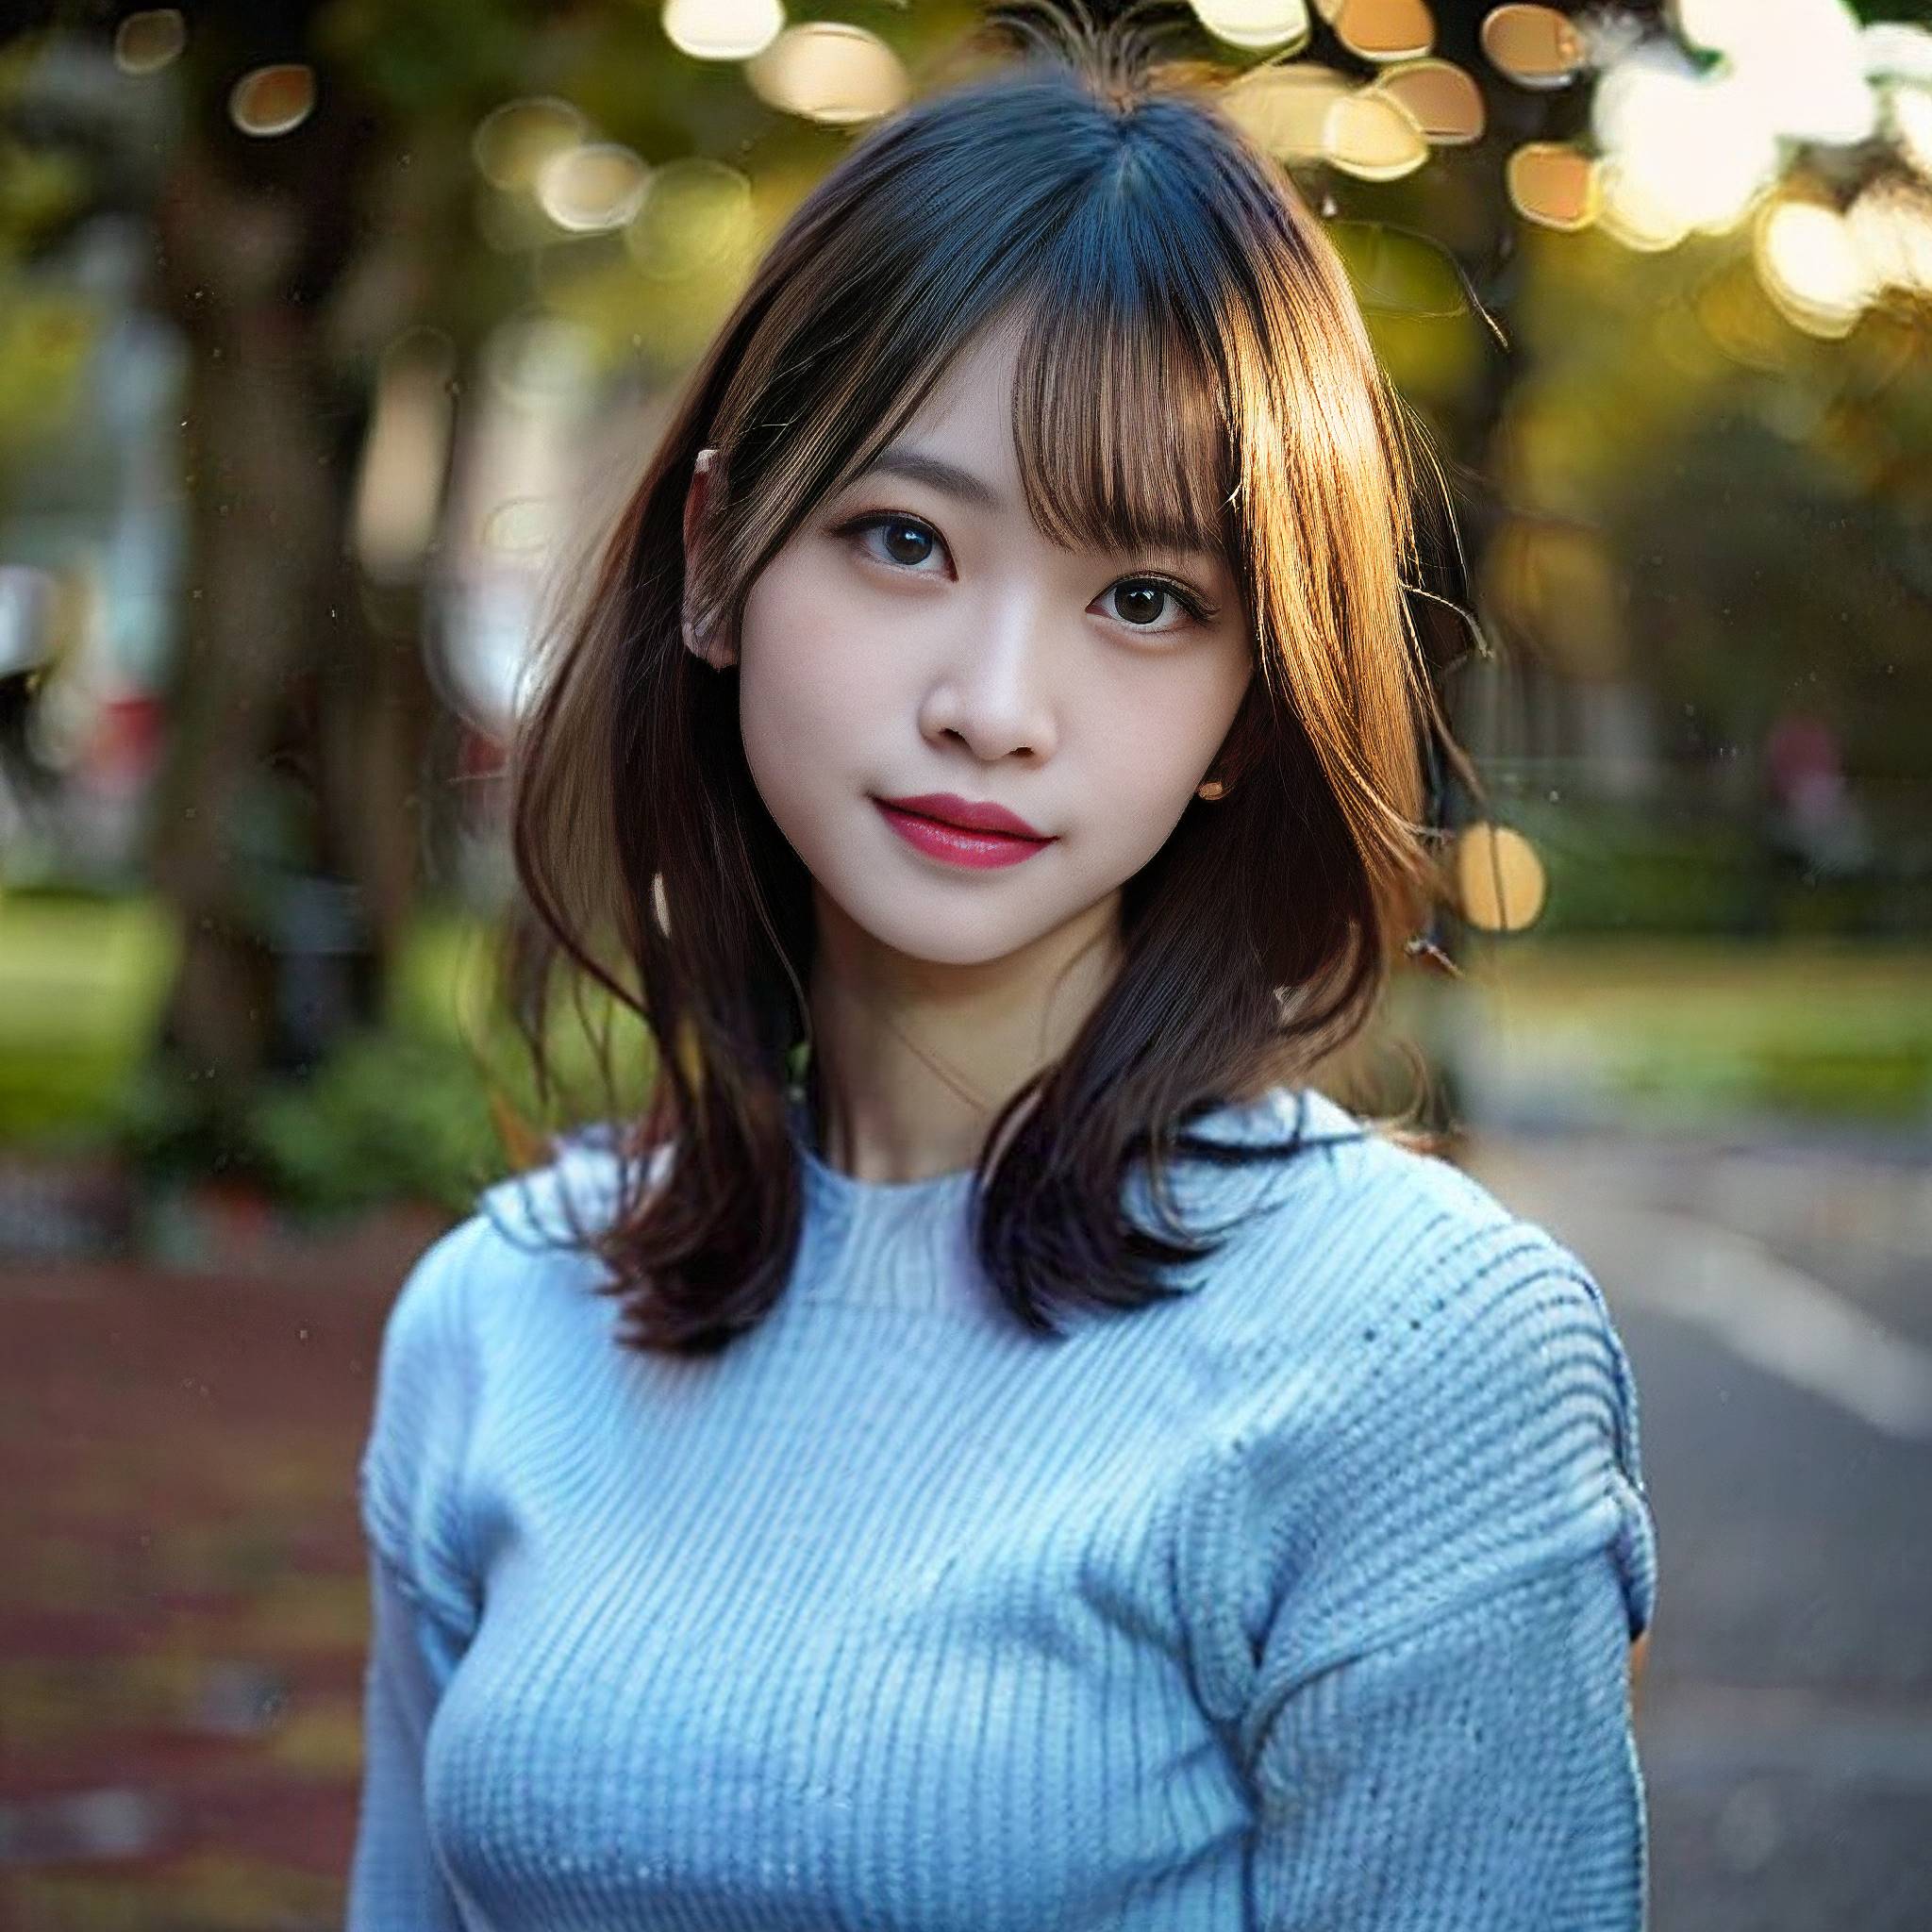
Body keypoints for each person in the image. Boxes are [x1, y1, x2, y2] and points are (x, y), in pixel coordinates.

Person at [347, 5, 1659, 1926]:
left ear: (1249, 688)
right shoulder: (499, 1321)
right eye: (900, 541)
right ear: (715, 558)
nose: (992, 704)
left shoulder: (1417, 1356)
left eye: (1142, 598)